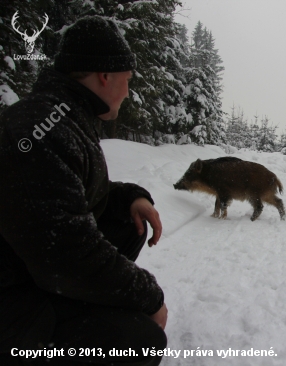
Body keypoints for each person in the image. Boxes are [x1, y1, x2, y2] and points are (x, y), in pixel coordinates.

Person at [0, 16, 168, 366]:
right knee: (141, 342)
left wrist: (130, 198)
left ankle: (79, 308)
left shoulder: (63, 115)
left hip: (32, 269)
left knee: (127, 221)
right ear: (105, 76)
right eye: (128, 79)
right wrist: (149, 297)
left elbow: (77, 195)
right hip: (12, 302)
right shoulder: (41, 131)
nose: (128, 89)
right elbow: (68, 251)